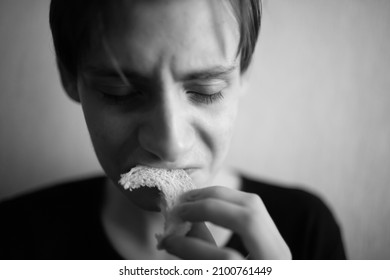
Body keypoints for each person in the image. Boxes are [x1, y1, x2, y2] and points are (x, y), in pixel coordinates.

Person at [0, 0, 346, 260]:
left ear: (244, 74)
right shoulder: (16, 237)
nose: (171, 144)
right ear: (69, 77)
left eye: (205, 90)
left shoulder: (305, 230)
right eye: (120, 93)